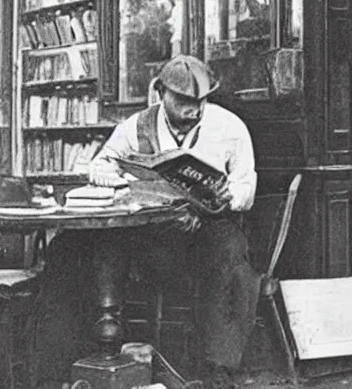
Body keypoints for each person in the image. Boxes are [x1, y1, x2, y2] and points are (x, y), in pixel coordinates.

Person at [89, 55, 261, 389]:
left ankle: (218, 368)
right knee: (97, 245)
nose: (193, 111)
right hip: (156, 237)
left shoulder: (229, 127)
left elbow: (246, 187)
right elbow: (98, 166)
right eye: (183, 102)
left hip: (209, 230)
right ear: (161, 94)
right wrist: (119, 178)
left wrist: (227, 197)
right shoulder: (136, 127)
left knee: (229, 253)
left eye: (200, 102)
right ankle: (106, 355)